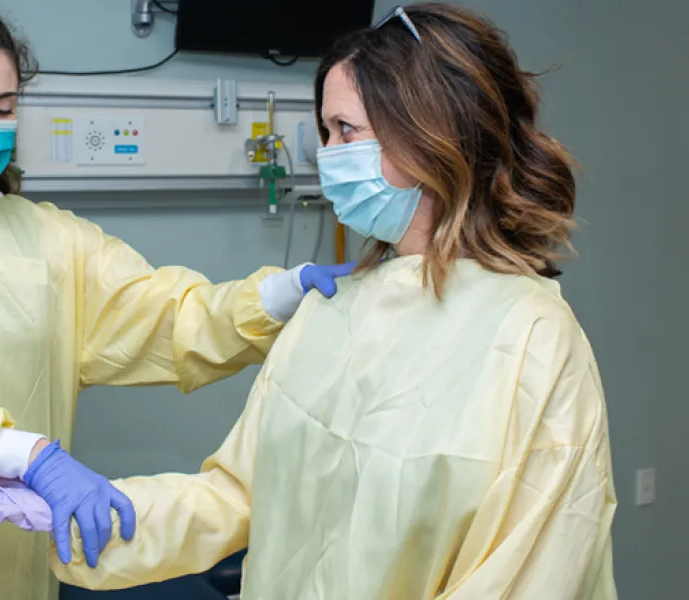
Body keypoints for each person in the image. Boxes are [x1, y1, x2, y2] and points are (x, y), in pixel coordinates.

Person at [32, 3, 619, 599]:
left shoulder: (533, 339)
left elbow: (532, 575)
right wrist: (95, 515)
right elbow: (239, 496)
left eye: (346, 131)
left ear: (428, 133)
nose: (327, 154)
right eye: (326, 132)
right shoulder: (332, 309)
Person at [0, 2, 352, 599]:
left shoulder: (54, 241)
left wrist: (279, 294)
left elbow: (171, 317)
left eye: (3, 109)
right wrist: (24, 454)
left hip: (22, 559)